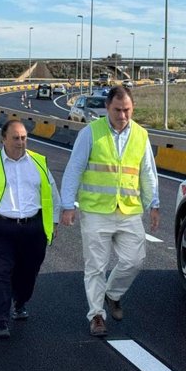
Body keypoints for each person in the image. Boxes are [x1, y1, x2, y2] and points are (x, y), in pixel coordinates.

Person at [60, 85, 159, 337]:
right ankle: (96, 315)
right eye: (117, 110)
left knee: (135, 260)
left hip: (128, 211)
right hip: (96, 212)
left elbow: (148, 173)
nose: (123, 115)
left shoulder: (141, 135)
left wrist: (153, 204)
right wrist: (67, 204)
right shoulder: (90, 133)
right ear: (107, 108)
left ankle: (112, 293)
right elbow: (74, 169)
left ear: (133, 108)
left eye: (127, 110)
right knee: (95, 266)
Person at [0, 119, 60, 338]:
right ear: (3, 139)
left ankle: (20, 301)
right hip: (0, 229)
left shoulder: (38, 162)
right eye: (16, 138)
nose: (21, 142)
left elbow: (52, 193)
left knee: (28, 273)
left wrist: (53, 222)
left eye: (24, 137)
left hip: (32, 228)